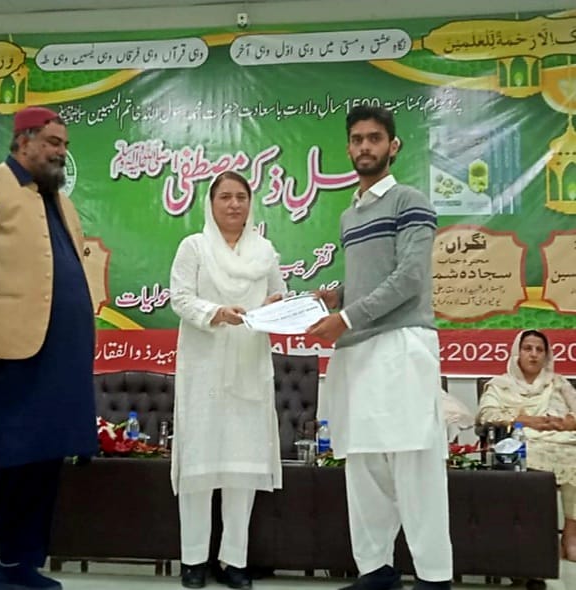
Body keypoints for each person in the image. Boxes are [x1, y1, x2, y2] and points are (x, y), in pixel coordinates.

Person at [0, 106, 98, 590]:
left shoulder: (59, 202)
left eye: (64, 145)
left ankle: (18, 566)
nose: (60, 153)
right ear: (23, 141)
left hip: (51, 365)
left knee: (38, 466)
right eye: (52, 142)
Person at [308, 106, 452, 590]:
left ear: (393, 146)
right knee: (364, 465)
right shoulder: (349, 215)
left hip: (402, 345)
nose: (365, 146)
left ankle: (434, 577)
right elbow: (371, 279)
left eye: (374, 138)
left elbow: (409, 279)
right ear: (348, 148)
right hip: (358, 351)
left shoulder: (410, 201)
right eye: (357, 139)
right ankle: (377, 572)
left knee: (414, 465)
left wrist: (346, 316)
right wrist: (338, 297)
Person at [169, 171, 286, 590]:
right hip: (203, 367)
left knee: (242, 466)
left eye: (241, 197)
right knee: (199, 465)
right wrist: (216, 313)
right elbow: (180, 298)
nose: (234, 204)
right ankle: (194, 560)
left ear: (250, 203)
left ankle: (234, 560)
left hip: (249, 365)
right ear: (211, 202)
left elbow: (278, 296)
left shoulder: (264, 251)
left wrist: (273, 306)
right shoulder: (194, 247)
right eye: (225, 197)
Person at [477, 329, 576, 562]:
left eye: (539, 350)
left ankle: (570, 535)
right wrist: (527, 420)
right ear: (517, 353)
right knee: (529, 457)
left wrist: (568, 422)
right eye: (528, 348)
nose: (533, 354)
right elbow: (486, 414)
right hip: (523, 441)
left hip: (561, 439)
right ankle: (539, 536)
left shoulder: (557, 383)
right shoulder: (501, 385)